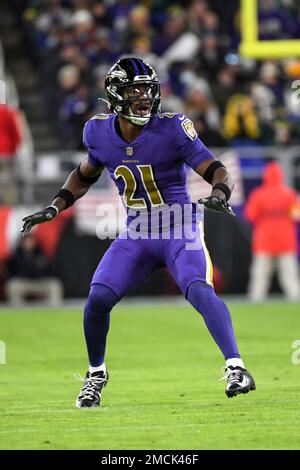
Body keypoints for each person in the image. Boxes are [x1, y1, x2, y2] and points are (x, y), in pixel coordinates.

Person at [21, 58, 255, 408]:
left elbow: (217, 169)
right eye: (135, 90)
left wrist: (220, 193)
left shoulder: (173, 127)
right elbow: (84, 175)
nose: (144, 97)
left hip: (179, 226)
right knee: (97, 298)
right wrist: (56, 205)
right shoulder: (98, 132)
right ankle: (95, 374)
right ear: (116, 95)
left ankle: (236, 367)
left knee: (197, 289)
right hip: (138, 231)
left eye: (148, 89)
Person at [245, 161, 300, 301]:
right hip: (286, 241)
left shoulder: (258, 195)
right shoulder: (290, 194)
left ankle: (255, 303)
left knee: (260, 278)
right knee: (290, 278)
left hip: (264, 241)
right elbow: (296, 216)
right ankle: (295, 301)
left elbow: (250, 216)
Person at [5, 233, 63, 306]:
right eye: (26, 241)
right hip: (24, 282)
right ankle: (18, 312)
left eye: (30, 241)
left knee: (55, 284)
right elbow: (12, 272)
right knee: (12, 286)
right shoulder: (16, 256)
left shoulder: (40, 253)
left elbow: (49, 270)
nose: (28, 243)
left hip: (39, 282)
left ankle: (53, 311)